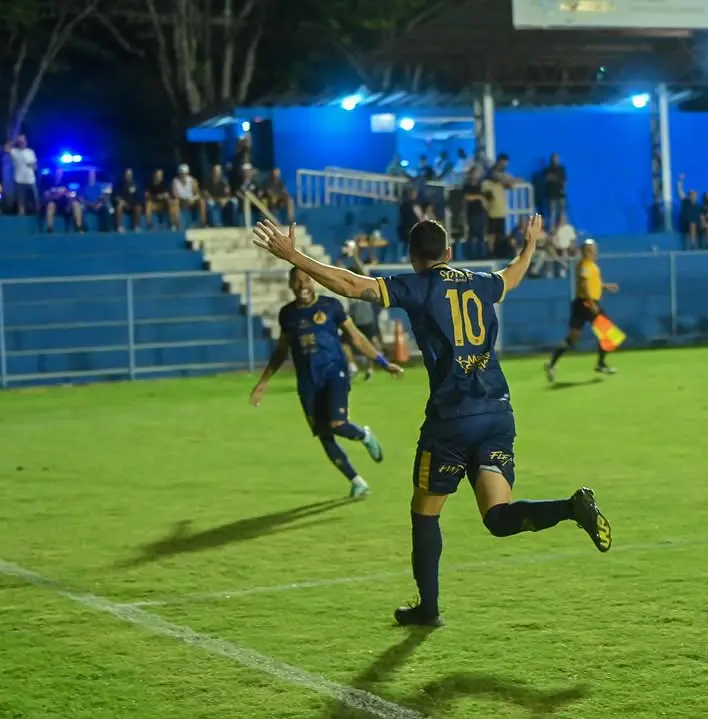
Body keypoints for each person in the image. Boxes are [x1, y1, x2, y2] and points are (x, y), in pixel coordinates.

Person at [250, 216, 612, 627]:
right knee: (497, 516)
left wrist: (293, 256)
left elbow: (351, 285)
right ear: (449, 253)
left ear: (412, 257)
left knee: (425, 512)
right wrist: (529, 244)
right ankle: (570, 508)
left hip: (451, 421)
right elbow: (511, 277)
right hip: (497, 411)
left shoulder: (417, 286)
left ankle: (429, 607)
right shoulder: (479, 282)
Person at [249, 268, 402, 498]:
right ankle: (357, 481)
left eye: (306, 280)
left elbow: (357, 337)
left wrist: (382, 361)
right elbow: (281, 351)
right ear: (290, 285)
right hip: (307, 383)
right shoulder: (287, 315)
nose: (302, 286)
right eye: (297, 282)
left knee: (337, 423)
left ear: (313, 282)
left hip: (334, 375)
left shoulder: (331, 307)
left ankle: (364, 435)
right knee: (324, 434)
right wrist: (263, 382)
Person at [545, 239, 620, 380]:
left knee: (573, 338)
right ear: (586, 251)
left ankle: (551, 363)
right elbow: (584, 285)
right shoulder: (584, 264)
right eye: (592, 249)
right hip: (587, 303)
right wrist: (592, 304)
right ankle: (601, 364)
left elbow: (592, 283)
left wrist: (605, 286)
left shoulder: (591, 265)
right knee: (608, 333)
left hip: (581, 303)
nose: (595, 251)